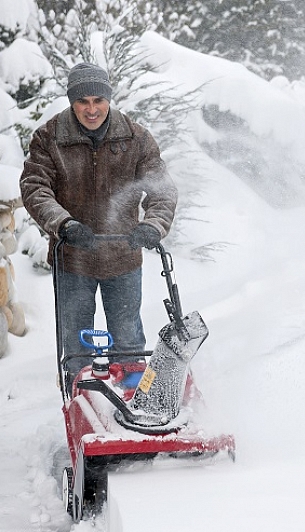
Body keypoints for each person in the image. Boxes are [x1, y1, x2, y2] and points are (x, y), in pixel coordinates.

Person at [20, 62, 178, 375]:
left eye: (98, 101)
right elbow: (35, 188)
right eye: (83, 102)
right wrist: (64, 224)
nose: (92, 110)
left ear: (108, 98)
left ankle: (133, 394)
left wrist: (152, 225)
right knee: (76, 340)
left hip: (122, 256)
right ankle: (81, 398)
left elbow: (162, 191)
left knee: (128, 335)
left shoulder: (135, 138)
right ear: (71, 102)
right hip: (73, 258)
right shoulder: (50, 138)